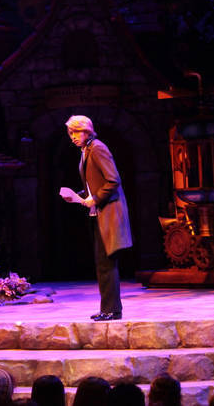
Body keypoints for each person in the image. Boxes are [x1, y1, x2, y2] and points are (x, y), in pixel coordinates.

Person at [62, 115, 132, 321]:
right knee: (102, 263)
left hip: (109, 211)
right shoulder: (87, 150)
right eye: (71, 133)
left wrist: (96, 198)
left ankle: (112, 310)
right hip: (99, 212)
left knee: (107, 263)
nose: (73, 137)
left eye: (76, 132)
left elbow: (113, 180)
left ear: (87, 131)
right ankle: (107, 308)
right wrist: (79, 196)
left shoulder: (98, 148)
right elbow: (95, 183)